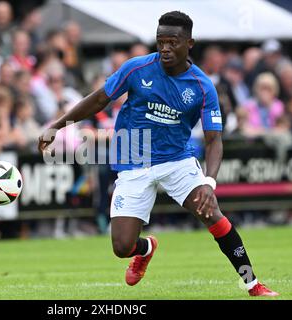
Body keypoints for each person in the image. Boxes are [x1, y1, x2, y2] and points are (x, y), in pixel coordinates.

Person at [38, 11, 278, 297]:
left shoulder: (202, 86)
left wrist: (209, 183)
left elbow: (214, 140)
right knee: (121, 247)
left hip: (177, 161)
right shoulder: (136, 69)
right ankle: (147, 248)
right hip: (133, 162)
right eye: (160, 41)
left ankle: (252, 283)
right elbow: (100, 99)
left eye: (172, 42)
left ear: (189, 43)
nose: (165, 48)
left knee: (211, 213)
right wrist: (57, 125)